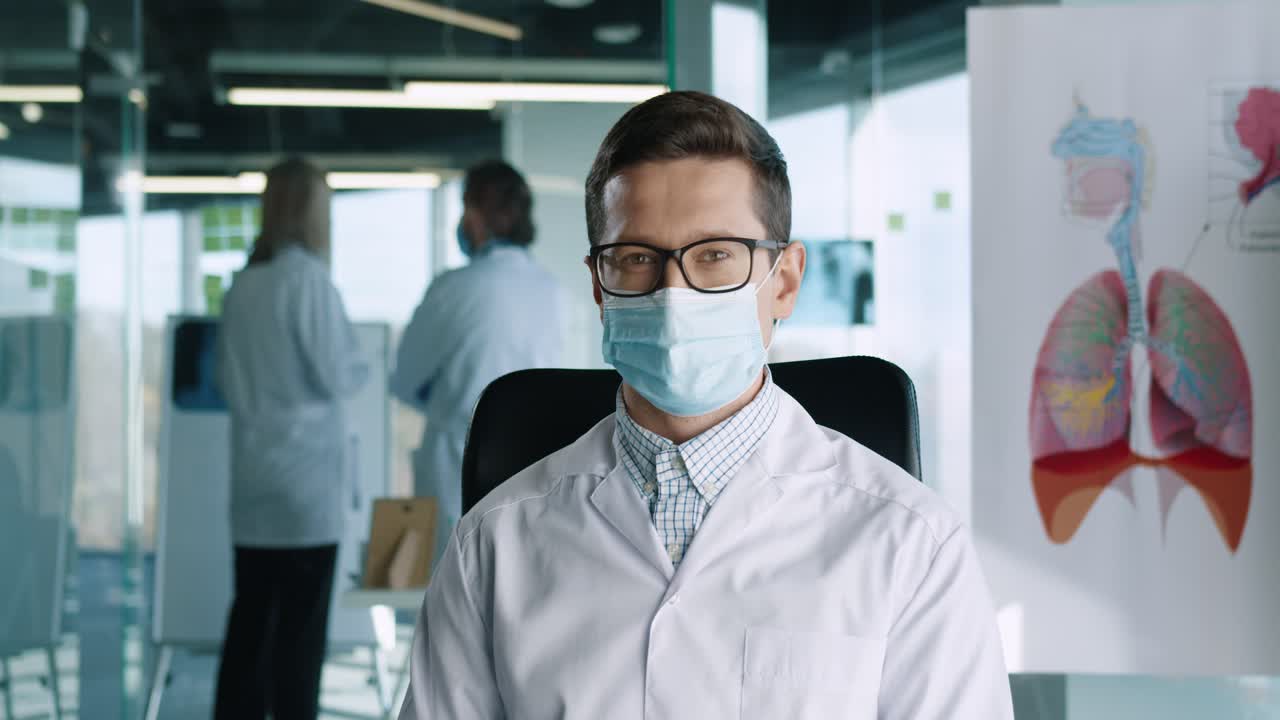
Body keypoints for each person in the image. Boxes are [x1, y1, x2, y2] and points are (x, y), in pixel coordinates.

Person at [400, 92, 1013, 719]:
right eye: (636, 259)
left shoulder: (912, 542)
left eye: (715, 255)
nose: (673, 293)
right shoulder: (493, 544)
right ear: (597, 284)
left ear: (785, 280)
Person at [213, 157, 369, 720]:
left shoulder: (242, 285)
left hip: (254, 481)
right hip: (304, 492)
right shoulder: (307, 281)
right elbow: (338, 373)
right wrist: (364, 363)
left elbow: (227, 381)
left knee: (250, 625)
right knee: (298, 642)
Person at [390, 160, 562, 562]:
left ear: (476, 214)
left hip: (456, 457)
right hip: (530, 460)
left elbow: (405, 380)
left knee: (454, 587)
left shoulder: (455, 287)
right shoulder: (551, 290)